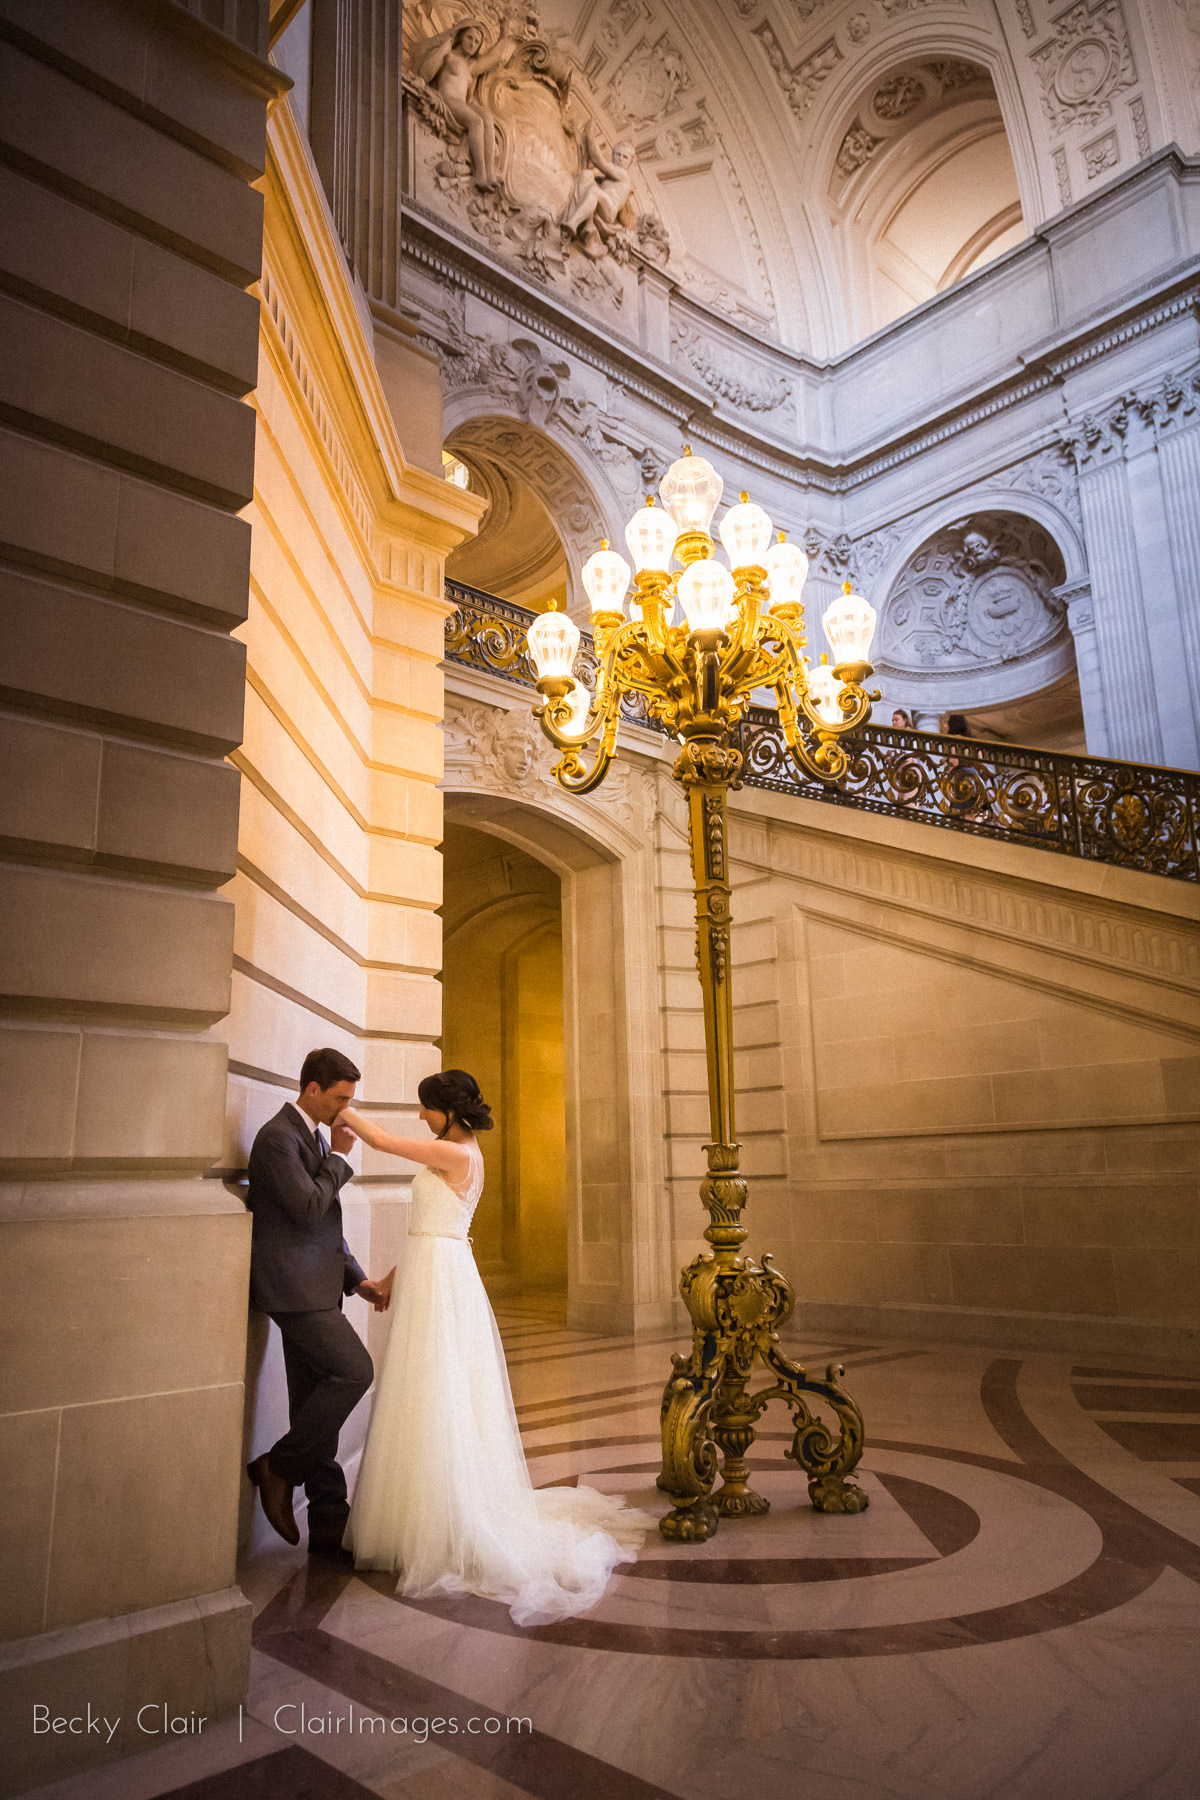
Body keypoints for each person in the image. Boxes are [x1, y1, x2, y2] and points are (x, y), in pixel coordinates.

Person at [338, 1069, 654, 1625]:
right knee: (423, 1392)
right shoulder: (451, 1151)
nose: (420, 1116)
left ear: (449, 1111)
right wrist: (390, 1279)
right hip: (433, 1269)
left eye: (425, 1108)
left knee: (441, 1390)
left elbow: (384, 1144)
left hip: (444, 1280)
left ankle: (449, 1521)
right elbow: (434, 1230)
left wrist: (339, 1111)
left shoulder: (459, 1155)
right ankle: (419, 1514)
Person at [244, 1048, 390, 1555]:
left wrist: (358, 1280)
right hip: (293, 1293)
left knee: (314, 1406)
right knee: (355, 1371)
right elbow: (309, 1209)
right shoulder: (277, 1139)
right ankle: (277, 1468)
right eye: (341, 1097)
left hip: (318, 1286)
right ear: (313, 1089)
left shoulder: (312, 1135)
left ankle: (329, 1521)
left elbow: (325, 1227)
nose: (346, 1107)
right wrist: (342, 1158)